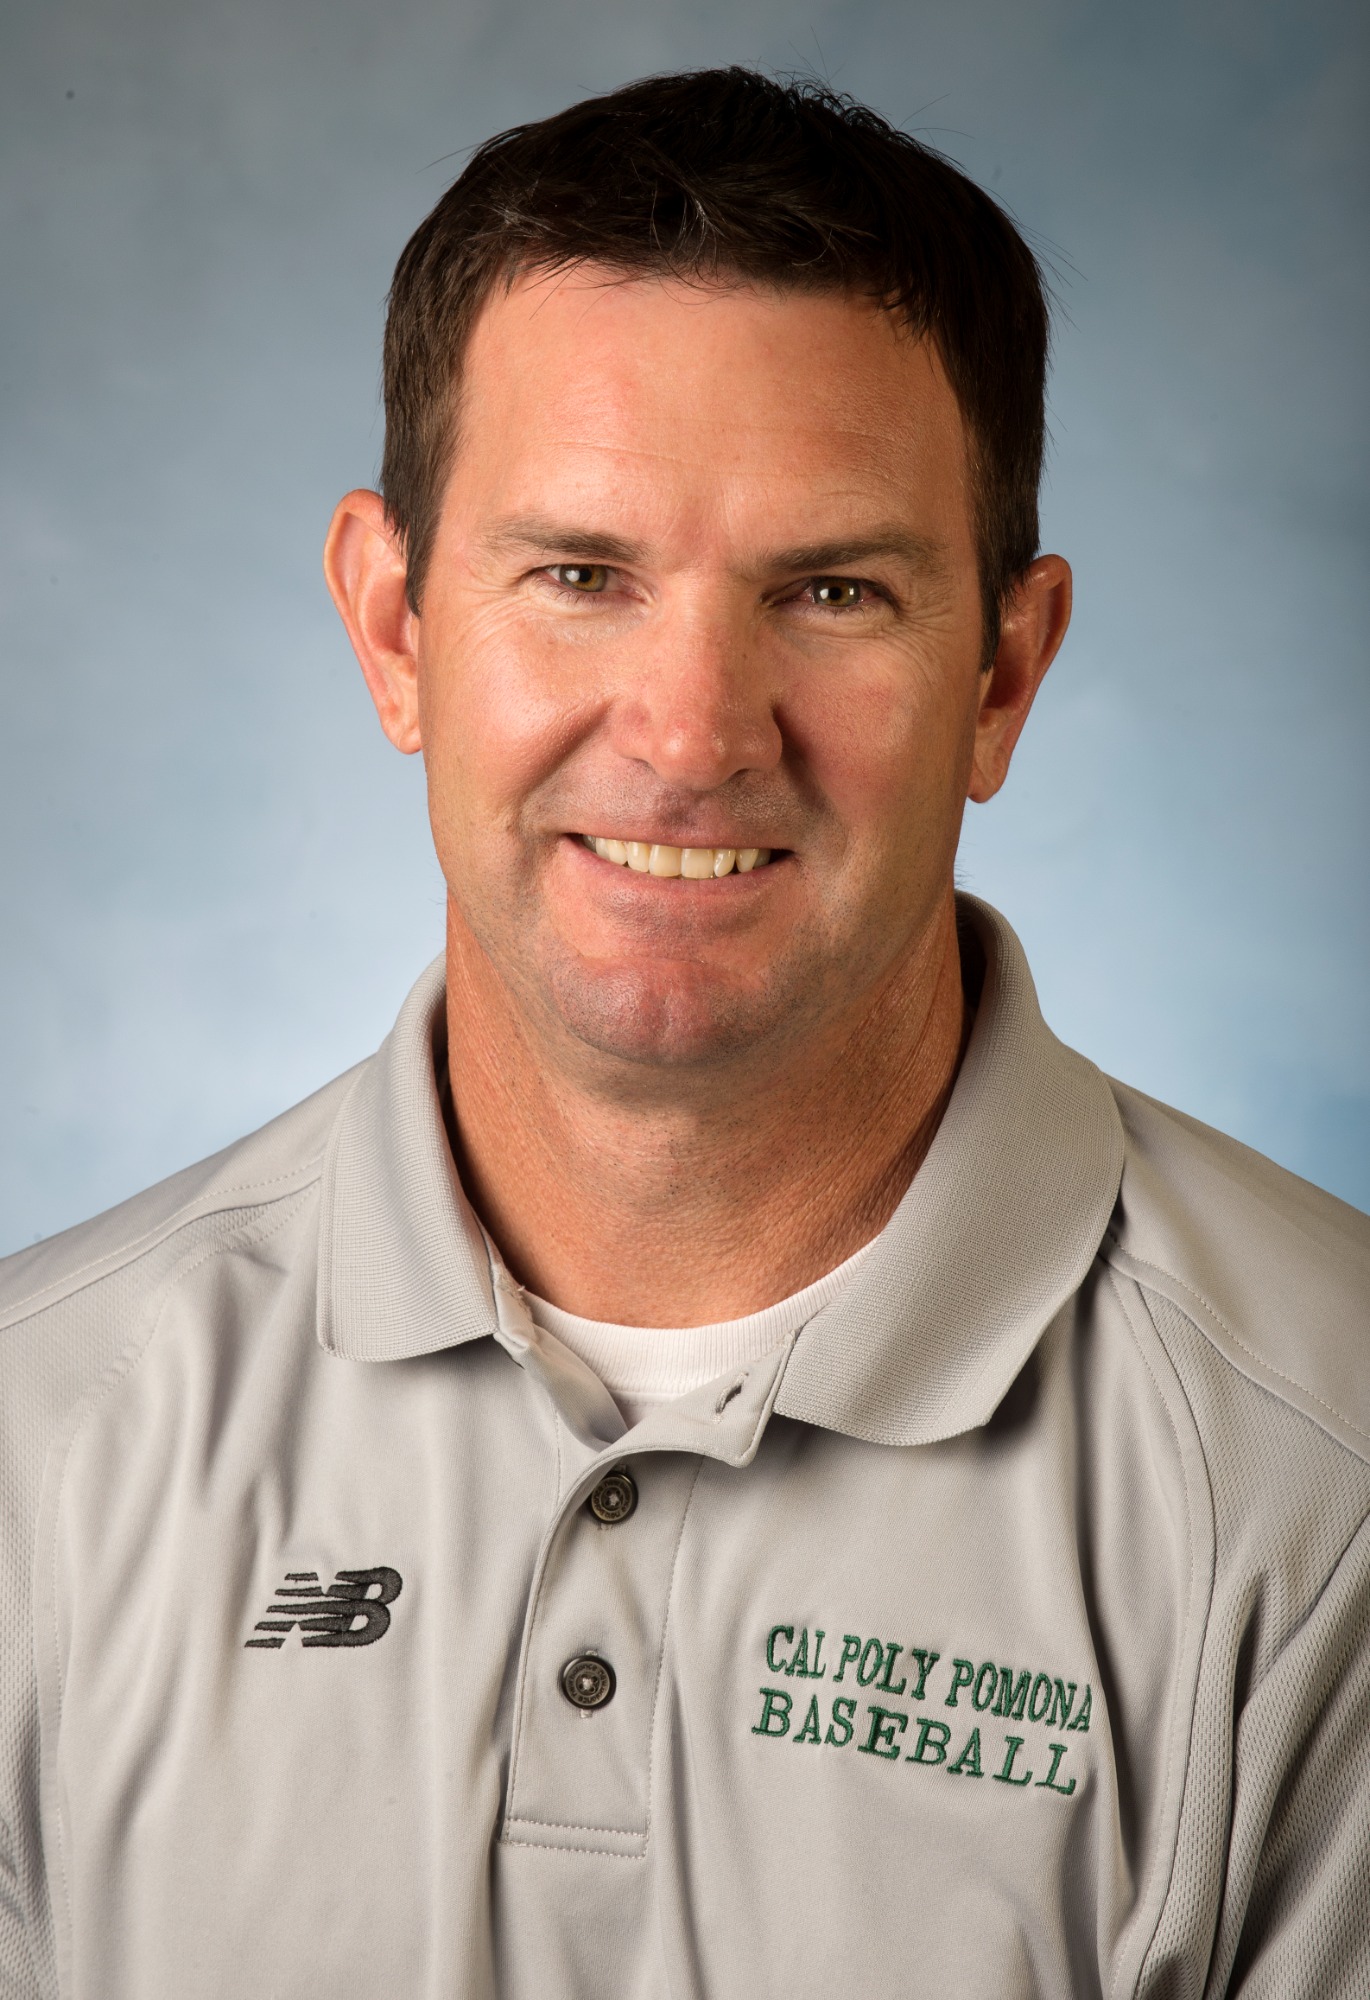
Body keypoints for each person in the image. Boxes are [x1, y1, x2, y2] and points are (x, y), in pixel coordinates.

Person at [0, 66, 1366, 2000]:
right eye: (578, 577)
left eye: (828, 591)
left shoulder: (1331, 1491)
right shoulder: (33, 1450)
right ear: (395, 631)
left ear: (1001, 672)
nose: (692, 727)